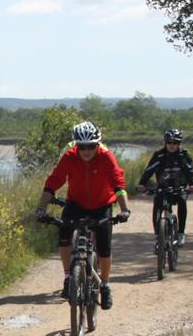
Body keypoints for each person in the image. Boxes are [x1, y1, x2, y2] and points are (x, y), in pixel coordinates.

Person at [34, 121, 130, 309]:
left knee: (104, 247)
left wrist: (124, 209)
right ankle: (68, 277)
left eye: (91, 146)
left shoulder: (106, 157)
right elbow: (53, 182)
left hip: (102, 204)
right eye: (82, 147)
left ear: (97, 145)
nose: (86, 151)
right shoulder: (70, 157)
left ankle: (105, 285)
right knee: (64, 236)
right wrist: (41, 208)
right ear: (76, 145)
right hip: (76, 203)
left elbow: (118, 184)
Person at [138, 128, 193, 246]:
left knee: (182, 201)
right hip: (163, 187)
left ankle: (181, 233)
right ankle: (158, 236)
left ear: (179, 144)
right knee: (157, 203)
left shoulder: (183, 155)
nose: (171, 145)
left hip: (179, 187)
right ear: (165, 143)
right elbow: (149, 170)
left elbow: (190, 171)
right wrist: (142, 184)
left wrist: (192, 185)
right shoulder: (159, 155)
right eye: (169, 142)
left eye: (175, 143)